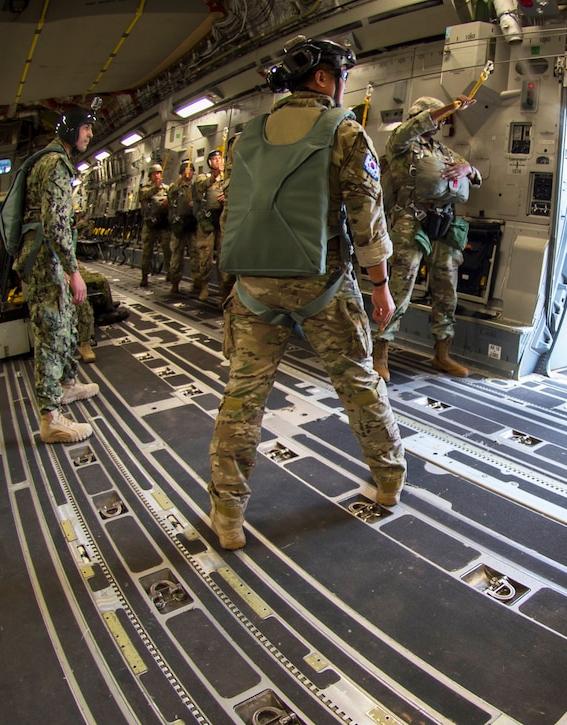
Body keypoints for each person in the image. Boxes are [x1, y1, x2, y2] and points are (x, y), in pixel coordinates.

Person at [208, 35, 407, 550]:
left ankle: (228, 514)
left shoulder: (248, 134)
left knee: (242, 397)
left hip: (253, 286)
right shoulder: (344, 130)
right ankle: (388, 482)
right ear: (322, 77)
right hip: (321, 284)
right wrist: (380, 287)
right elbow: (366, 217)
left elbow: (233, 214)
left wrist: (234, 281)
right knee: (358, 382)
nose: (343, 86)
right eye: (341, 74)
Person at [371, 94, 481, 382]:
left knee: (446, 288)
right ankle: (380, 351)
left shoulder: (442, 150)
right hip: (411, 221)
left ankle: (442, 354)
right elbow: (416, 126)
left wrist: (467, 169)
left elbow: (476, 175)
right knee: (400, 288)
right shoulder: (401, 143)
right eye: (437, 117)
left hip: (443, 222)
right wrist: (452, 107)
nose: (440, 122)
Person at [14, 106, 100, 444]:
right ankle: (50, 420)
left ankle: (65, 385)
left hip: (47, 258)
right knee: (51, 333)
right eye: (85, 128)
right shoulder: (55, 166)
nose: (89, 134)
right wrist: (72, 270)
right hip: (46, 260)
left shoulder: (49, 162)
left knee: (64, 323)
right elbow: (56, 223)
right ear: (69, 130)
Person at [191, 148, 224, 302]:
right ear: (209, 162)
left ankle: (224, 290)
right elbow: (202, 186)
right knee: (205, 255)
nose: (218, 161)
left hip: (223, 221)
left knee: (223, 257)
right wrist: (215, 176)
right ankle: (204, 286)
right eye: (215, 159)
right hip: (207, 222)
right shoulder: (202, 178)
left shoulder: (228, 179)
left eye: (220, 158)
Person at [166, 159, 196, 294]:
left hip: (193, 224)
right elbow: (170, 193)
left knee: (196, 254)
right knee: (177, 255)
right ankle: (175, 282)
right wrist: (182, 178)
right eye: (187, 171)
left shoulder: (195, 188)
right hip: (179, 224)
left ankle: (197, 282)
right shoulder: (177, 187)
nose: (189, 174)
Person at [138, 164, 170, 287]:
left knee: (167, 250)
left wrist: (168, 201)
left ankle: (170, 273)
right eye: (154, 173)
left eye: (158, 173)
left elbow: (173, 197)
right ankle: (144, 276)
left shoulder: (166, 189)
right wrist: (155, 189)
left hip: (163, 224)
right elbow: (144, 196)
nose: (157, 176)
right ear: (150, 175)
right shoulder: (145, 189)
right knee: (147, 252)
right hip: (150, 225)